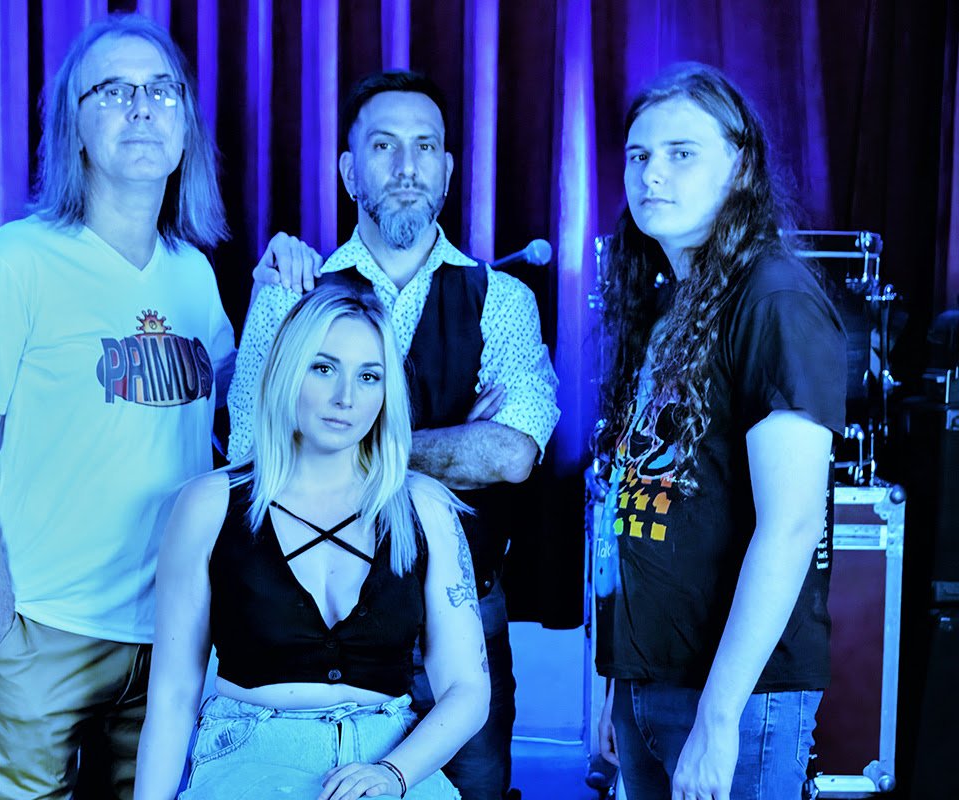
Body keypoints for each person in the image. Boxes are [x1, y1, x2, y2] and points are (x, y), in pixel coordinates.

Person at [0, 14, 317, 799]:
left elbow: (238, 417)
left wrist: (273, 296)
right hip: (45, 628)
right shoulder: (12, 265)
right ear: (71, 126)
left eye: (161, 91)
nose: (142, 108)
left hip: (169, 633)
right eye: (112, 91)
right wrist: (1, 625)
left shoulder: (192, 274)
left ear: (185, 129)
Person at [226, 70, 560, 800]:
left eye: (425, 147)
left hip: (463, 624)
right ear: (350, 172)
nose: (407, 167)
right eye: (384, 146)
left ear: (448, 170)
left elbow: (510, 455)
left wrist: (329, 441)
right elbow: (251, 455)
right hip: (315, 624)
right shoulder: (292, 292)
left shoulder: (503, 300)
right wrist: (456, 440)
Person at [593, 62, 847, 800]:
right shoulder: (668, 306)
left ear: (740, 167)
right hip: (652, 683)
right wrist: (620, 684)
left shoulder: (774, 300)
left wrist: (719, 715)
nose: (652, 174)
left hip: (738, 696)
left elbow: (791, 526)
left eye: (682, 153)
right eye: (639, 155)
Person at [136, 285, 489, 799]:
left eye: (369, 377)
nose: (346, 397)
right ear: (287, 371)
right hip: (250, 757)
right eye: (324, 368)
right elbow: (172, 695)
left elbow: (467, 688)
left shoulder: (425, 509)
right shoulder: (209, 506)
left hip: (391, 761)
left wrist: (393, 773)